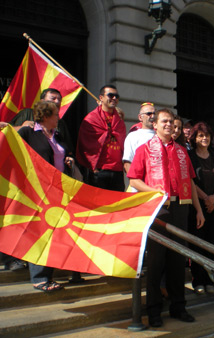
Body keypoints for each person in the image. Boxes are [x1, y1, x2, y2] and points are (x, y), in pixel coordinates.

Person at [128, 108, 205, 327]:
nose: (169, 125)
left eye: (171, 122)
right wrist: (154, 193)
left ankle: (178, 306)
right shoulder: (145, 149)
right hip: (159, 209)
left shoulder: (181, 151)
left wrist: (198, 210)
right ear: (155, 125)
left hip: (181, 208)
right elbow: (134, 180)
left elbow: (190, 182)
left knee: (178, 260)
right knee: (155, 263)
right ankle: (153, 310)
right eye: (164, 121)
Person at [17, 101, 75, 292]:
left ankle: (47, 276)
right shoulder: (28, 132)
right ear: (45, 116)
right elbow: (11, 148)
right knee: (40, 234)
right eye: (56, 115)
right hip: (38, 192)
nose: (59, 118)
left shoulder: (56, 135)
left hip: (58, 192)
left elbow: (62, 154)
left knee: (53, 234)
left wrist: (68, 159)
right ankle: (39, 278)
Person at [187, 122, 214, 294]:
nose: (204, 138)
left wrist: (213, 198)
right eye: (200, 136)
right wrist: (205, 198)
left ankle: (210, 279)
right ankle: (198, 281)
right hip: (197, 208)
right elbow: (190, 180)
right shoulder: (190, 156)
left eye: (206, 136)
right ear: (195, 138)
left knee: (211, 245)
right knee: (198, 245)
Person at [76, 85, 126, 192]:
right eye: (110, 95)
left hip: (117, 171)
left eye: (116, 96)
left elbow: (123, 143)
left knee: (117, 207)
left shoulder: (119, 121)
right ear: (101, 97)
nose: (114, 98)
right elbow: (85, 145)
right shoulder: (91, 119)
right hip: (99, 171)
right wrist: (93, 167)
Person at [122, 102, 156, 174]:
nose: (152, 116)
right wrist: (135, 182)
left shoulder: (162, 136)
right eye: (149, 114)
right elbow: (127, 163)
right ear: (140, 117)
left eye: (154, 114)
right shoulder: (132, 136)